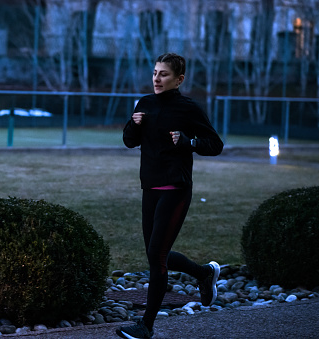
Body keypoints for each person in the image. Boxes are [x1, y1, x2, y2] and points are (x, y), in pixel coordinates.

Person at [116, 53, 224, 339]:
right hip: (149, 187)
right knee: (155, 254)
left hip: (176, 188)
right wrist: (134, 124)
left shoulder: (188, 108)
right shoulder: (145, 104)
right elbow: (129, 141)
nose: (156, 78)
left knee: (157, 254)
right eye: (154, 73)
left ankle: (146, 326)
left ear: (179, 79)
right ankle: (203, 274)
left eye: (163, 74)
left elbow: (215, 144)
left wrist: (189, 142)